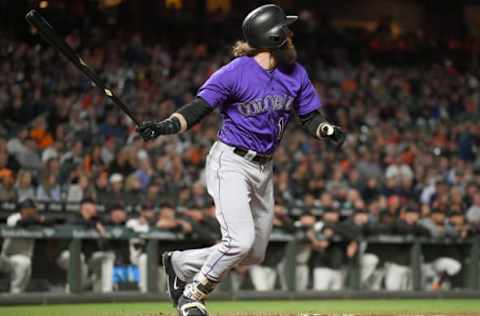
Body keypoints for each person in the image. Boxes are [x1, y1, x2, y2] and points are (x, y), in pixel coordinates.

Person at [136, 4, 345, 316]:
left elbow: (309, 115)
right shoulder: (235, 72)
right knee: (239, 241)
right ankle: (192, 295)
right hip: (230, 162)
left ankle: (179, 263)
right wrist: (167, 125)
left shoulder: (295, 73)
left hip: (264, 167)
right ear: (274, 37)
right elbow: (198, 108)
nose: (291, 36)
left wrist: (324, 129)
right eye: (286, 31)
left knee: (253, 254)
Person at [56, 198, 115, 293]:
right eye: (93, 206)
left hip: (88, 256)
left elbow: (109, 224)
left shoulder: (97, 220)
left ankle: (106, 291)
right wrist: (93, 225)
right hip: (67, 254)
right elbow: (76, 225)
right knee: (78, 257)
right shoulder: (73, 219)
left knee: (109, 256)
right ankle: (75, 288)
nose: (95, 208)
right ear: (84, 207)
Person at [0, 199, 45, 293]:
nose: (29, 211)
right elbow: (21, 223)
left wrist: (39, 219)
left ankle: (15, 295)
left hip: (20, 258)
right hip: (5, 257)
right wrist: (37, 219)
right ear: (21, 210)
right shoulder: (14, 218)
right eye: (26, 209)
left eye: (31, 209)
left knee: (25, 263)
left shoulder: (36, 219)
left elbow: (50, 222)